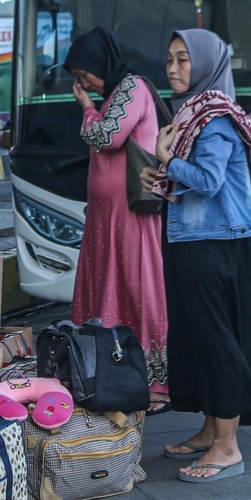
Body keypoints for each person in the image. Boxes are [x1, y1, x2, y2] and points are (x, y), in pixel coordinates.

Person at [142, 28, 251, 483]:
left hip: (215, 244)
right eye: (169, 59)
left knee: (218, 340)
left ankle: (228, 447)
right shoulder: (192, 114)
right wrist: (162, 177)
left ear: (206, 65)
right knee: (198, 338)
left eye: (184, 60)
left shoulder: (216, 117)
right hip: (196, 240)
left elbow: (207, 180)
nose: (173, 68)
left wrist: (166, 161)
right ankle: (210, 429)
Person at [65, 27, 170, 414]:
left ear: (100, 64)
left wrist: (87, 107)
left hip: (129, 212)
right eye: (77, 77)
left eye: (84, 74)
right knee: (108, 287)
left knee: (137, 287)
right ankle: (111, 372)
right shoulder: (114, 92)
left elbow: (107, 136)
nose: (82, 82)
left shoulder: (132, 87)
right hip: (107, 216)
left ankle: (157, 383)